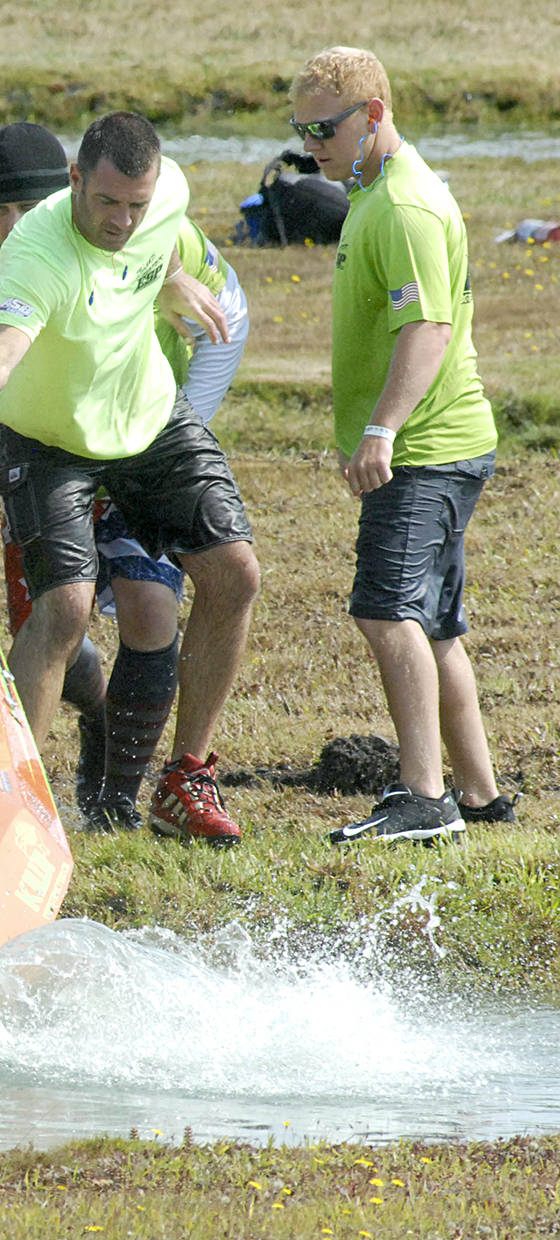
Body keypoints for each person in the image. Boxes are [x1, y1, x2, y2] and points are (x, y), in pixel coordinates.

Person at [0, 111, 260, 846]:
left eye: (133, 207)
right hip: (49, 438)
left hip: (143, 415)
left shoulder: (165, 195)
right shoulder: (36, 250)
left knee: (236, 573)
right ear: (75, 179)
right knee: (65, 610)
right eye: (106, 203)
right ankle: (10, 806)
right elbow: (2, 343)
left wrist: (171, 277)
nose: (120, 220)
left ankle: (184, 781)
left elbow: (162, 243)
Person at [289, 48, 513, 843]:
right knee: (436, 624)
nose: (312, 143)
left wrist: (381, 429)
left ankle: (423, 795)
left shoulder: (405, 206)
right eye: (301, 128)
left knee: (387, 612)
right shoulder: (376, 192)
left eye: (326, 127)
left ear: (374, 115)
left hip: (424, 450)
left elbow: (428, 327)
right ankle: (481, 795)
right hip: (441, 444)